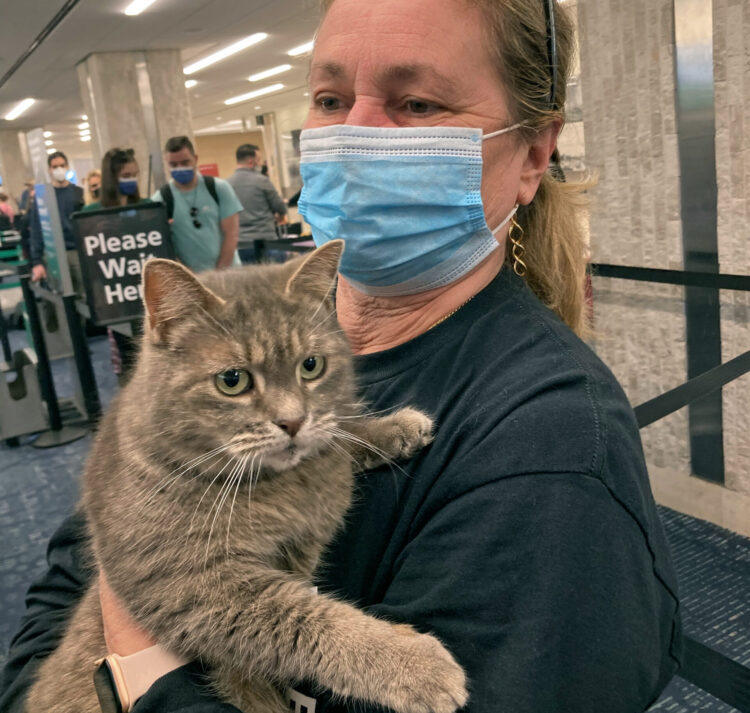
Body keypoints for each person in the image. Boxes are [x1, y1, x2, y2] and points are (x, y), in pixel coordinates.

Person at [0, 1, 682, 712]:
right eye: (330, 99)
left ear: (533, 154)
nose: (354, 132)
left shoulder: (550, 443)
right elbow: (59, 587)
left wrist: (138, 670)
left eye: (416, 103)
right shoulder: (270, 332)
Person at [84, 148, 150, 381]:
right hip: (115, 293)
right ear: (112, 178)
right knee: (126, 355)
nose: (131, 180)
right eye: (126, 175)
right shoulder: (91, 213)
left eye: (134, 174)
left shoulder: (147, 206)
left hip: (146, 290)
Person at [151, 135, 242, 272]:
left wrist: (219, 274)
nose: (180, 168)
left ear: (196, 159)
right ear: (167, 164)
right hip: (191, 279)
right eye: (174, 165)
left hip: (229, 273)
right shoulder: (161, 200)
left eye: (185, 162)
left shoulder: (218, 188)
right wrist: (191, 279)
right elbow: (165, 247)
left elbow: (231, 233)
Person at [28, 150, 84, 284]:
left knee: (83, 294)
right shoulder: (42, 196)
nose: (59, 169)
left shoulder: (78, 192)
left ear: (67, 167)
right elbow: (36, 228)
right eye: (55, 166)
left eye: (62, 165)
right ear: (49, 170)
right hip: (53, 254)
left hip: (76, 251)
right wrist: (37, 261)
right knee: (60, 294)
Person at [227, 143, 288, 263]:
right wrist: (278, 216)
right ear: (251, 161)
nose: (260, 164)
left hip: (241, 245)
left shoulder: (226, 184)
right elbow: (280, 207)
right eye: (259, 160)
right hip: (267, 242)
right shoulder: (262, 181)